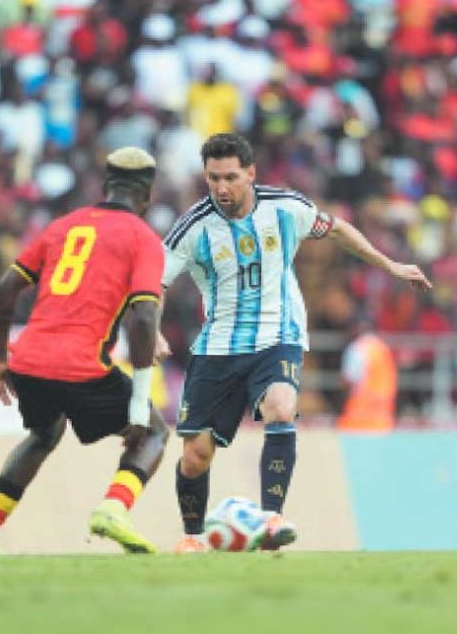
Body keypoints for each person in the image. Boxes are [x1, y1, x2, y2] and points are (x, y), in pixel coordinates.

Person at [162, 132, 431, 552]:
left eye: (231, 177)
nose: (221, 188)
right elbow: (154, 283)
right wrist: (155, 331)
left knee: (281, 406)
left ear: (250, 173)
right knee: (196, 455)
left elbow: (338, 230)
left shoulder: (286, 208)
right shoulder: (193, 228)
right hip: (218, 345)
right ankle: (192, 538)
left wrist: (389, 264)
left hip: (278, 334)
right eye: (213, 178)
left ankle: (271, 517)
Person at [0, 147, 169, 556]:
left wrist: (0, 359)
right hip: (81, 368)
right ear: (147, 196)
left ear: (106, 186)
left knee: (44, 432)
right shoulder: (143, 238)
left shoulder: (63, 226)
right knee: (155, 432)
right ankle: (114, 507)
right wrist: (139, 406)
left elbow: (6, 288)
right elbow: (144, 317)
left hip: (29, 362)